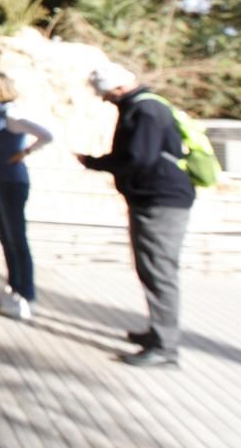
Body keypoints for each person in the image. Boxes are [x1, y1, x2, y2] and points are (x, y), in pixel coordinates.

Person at [76, 63, 196, 368]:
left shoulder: (144, 112)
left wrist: (97, 163)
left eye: (105, 93)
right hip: (153, 198)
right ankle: (158, 333)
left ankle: (165, 347)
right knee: (151, 268)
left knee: (159, 270)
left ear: (116, 88)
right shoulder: (144, 108)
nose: (104, 99)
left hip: (160, 199)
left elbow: (138, 159)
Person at [0, 72, 52, 321]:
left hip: (10, 182)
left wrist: (26, 152)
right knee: (6, 237)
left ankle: (26, 296)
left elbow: (46, 135)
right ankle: (14, 287)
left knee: (17, 239)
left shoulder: (12, 115)